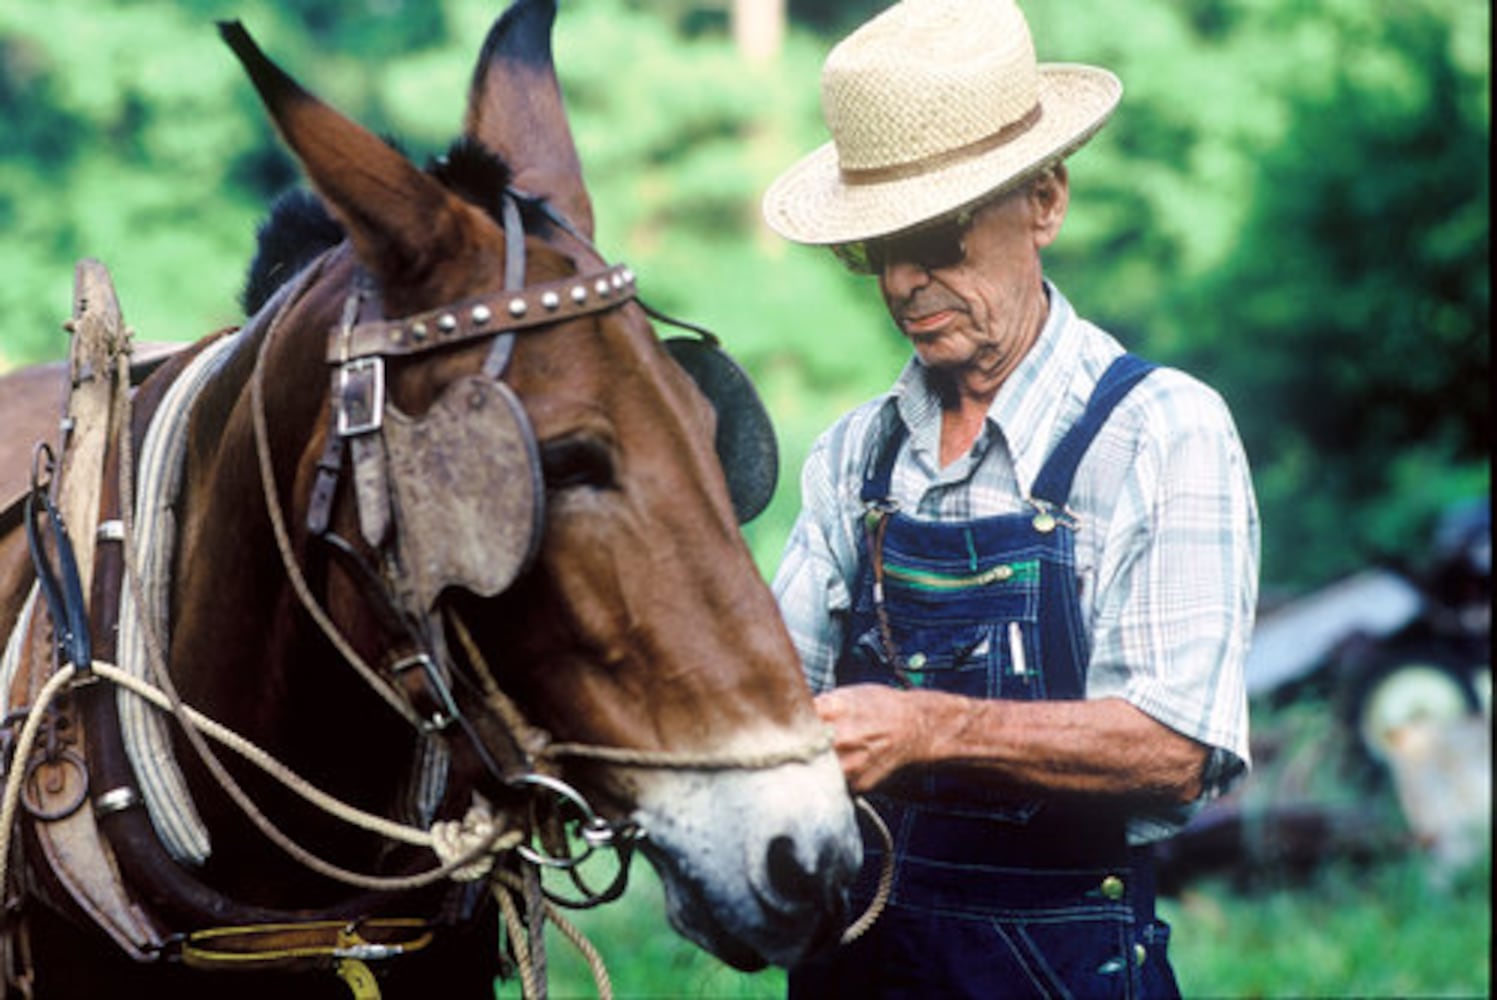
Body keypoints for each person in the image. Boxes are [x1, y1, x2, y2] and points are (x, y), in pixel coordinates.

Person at [761, 1, 1258, 996]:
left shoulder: (1161, 431)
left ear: (1045, 200)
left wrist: (925, 727)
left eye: (937, 236)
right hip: (858, 966)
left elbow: (1174, 749)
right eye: (874, 249)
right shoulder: (853, 456)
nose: (905, 280)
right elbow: (781, 716)